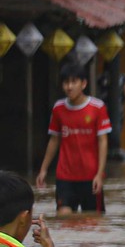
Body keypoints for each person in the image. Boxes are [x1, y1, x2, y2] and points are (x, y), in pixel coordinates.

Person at [36, 61, 111, 214]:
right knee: (63, 218)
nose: (69, 87)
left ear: (83, 84)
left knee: (93, 223)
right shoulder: (58, 108)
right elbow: (54, 140)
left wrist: (99, 174)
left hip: (90, 177)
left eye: (73, 82)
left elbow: (103, 141)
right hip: (65, 176)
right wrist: (43, 169)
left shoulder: (97, 108)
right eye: (65, 82)